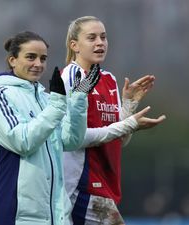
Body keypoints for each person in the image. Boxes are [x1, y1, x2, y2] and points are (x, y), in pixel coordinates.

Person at [0, 31, 100, 225]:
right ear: (12, 60)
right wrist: (57, 105)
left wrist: (78, 100)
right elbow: (22, 141)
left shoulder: (45, 98)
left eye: (43, 58)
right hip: (13, 216)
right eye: (30, 57)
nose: (38, 64)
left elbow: (70, 141)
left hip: (53, 216)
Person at [61, 16, 166, 225]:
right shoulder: (72, 77)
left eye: (103, 37)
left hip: (106, 181)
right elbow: (75, 138)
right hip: (81, 184)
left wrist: (128, 104)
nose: (100, 42)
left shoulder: (108, 78)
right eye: (91, 38)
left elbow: (119, 140)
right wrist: (130, 124)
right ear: (75, 45)